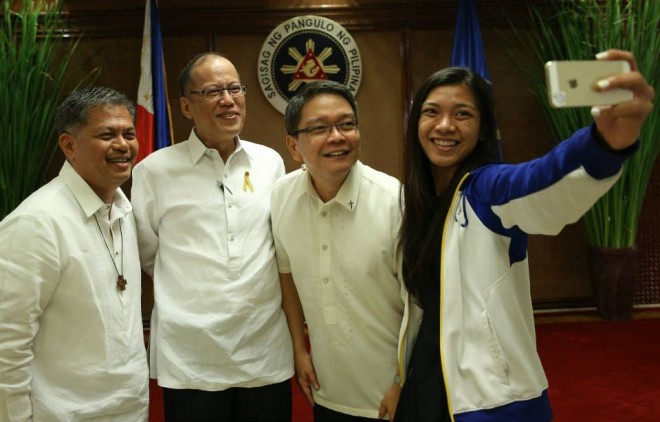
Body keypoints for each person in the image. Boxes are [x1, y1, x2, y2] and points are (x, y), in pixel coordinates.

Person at [394, 49, 655, 421]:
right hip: (424, 387)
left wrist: (602, 144)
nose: (445, 125)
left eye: (463, 114)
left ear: (484, 128)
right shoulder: (414, 204)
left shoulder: (486, 190)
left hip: (492, 402)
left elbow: (540, 180)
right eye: (432, 111)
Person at [131, 52, 293, 421]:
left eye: (235, 88)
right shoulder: (153, 172)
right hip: (191, 353)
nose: (228, 99)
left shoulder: (270, 163)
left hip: (263, 347)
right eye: (213, 91)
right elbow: (149, 252)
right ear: (186, 106)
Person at [0, 86, 149, 421]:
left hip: (128, 409)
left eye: (128, 134)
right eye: (107, 135)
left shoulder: (124, 210)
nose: (123, 145)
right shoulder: (35, 222)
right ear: (69, 145)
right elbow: (6, 345)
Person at [271, 80, 407, 422]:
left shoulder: (394, 200)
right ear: (293, 145)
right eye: (319, 128)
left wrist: (401, 380)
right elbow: (286, 274)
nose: (337, 137)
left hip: (393, 395)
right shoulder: (281, 196)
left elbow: (419, 305)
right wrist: (299, 351)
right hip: (327, 391)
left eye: (346, 124)